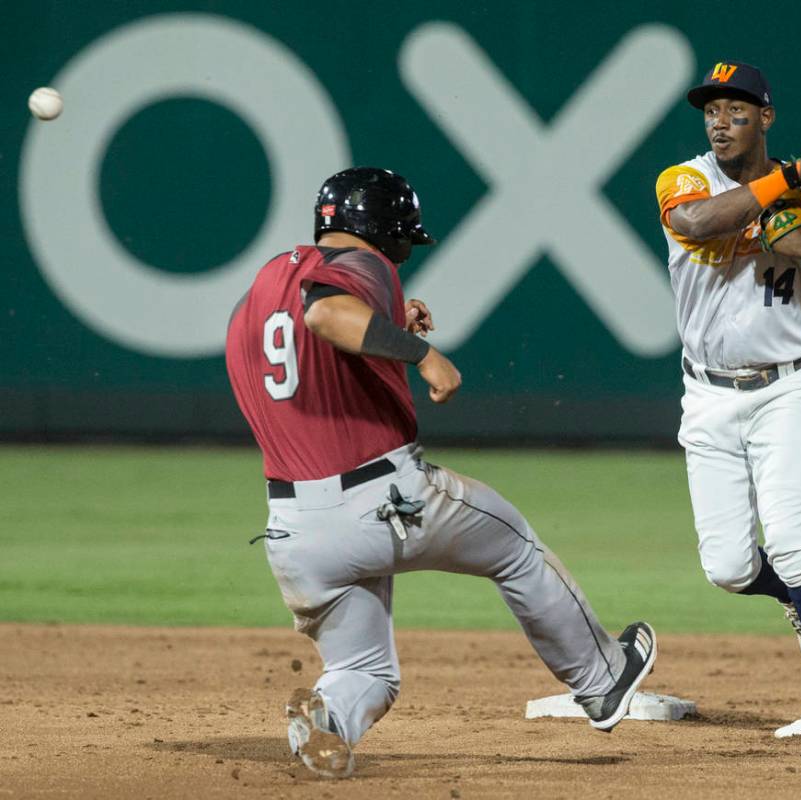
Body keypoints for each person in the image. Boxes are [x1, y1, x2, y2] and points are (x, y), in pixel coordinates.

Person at [226, 167, 656, 778]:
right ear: (382, 229)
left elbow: (303, 333)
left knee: (368, 673)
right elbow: (326, 316)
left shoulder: (263, 287)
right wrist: (422, 353)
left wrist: (390, 319)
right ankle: (604, 678)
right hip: (382, 497)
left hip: (292, 529)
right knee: (511, 543)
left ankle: (329, 721)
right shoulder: (367, 265)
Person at [654, 63, 801, 740]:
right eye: (711, 111)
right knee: (726, 566)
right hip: (707, 393)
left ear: (767, 117)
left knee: (789, 534)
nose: (720, 123)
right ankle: (797, 597)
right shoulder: (686, 178)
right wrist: (791, 178)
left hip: (789, 385)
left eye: (737, 110)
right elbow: (698, 223)